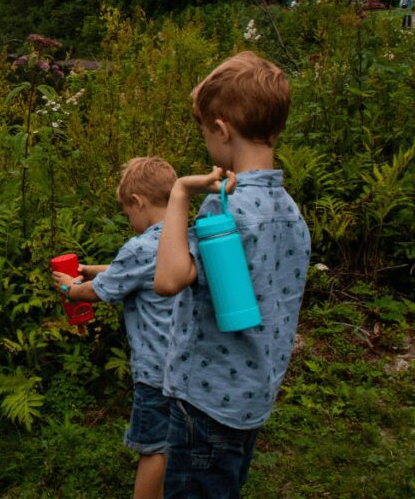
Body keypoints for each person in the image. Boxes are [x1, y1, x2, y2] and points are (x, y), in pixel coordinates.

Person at [154, 51, 311, 499]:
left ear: (221, 129)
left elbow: (167, 280)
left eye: (205, 133)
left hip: (206, 401)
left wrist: (180, 193)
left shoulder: (224, 210)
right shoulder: (290, 212)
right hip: (252, 396)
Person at [53, 156, 179, 499]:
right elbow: (132, 271)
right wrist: (91, 267)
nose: (130, 221)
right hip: (185, 366)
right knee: (174, 442)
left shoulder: (138, 248)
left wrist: (70, 287)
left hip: (154, 372)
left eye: (128, 214)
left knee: (153, 448)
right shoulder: (182, 237)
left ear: (137, 202)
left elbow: (97, 293)